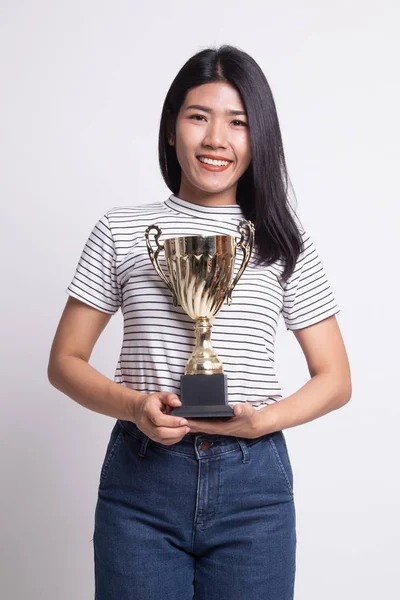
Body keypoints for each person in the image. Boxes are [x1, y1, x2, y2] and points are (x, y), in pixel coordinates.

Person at [47, 44, 351, 600]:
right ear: (171, 130)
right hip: (142, 480)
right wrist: (136, 406)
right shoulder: (122, 230)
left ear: (259, 138)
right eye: (198, 117)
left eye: (238, 122)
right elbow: (64, 362)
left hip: (253, 486)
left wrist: (261, 423)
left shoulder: (283, 240)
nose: (216, 139)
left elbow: (335, 378)